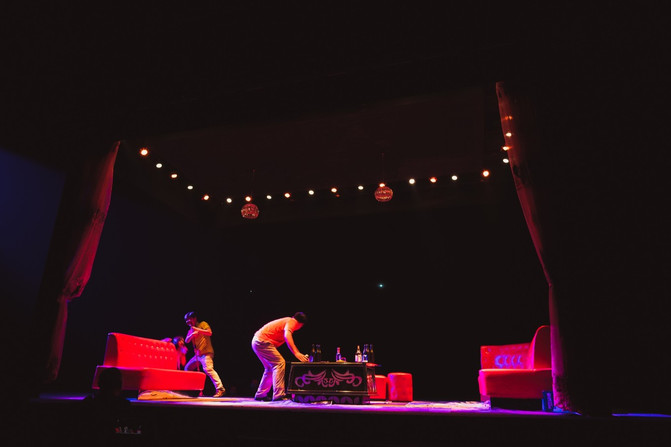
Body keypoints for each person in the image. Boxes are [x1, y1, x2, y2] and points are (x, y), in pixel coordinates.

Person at [251, 312, 309, 401]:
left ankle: (261, 394)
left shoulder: (287, 321)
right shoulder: (292, 321)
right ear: (300, 324)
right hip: (262, 341)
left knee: (270, 368)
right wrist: (296, 353)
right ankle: (279, 395)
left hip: (257, 341)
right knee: (280, 363)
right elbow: (287, 335)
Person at [183, 311, 226, 397]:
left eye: (189, 319)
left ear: (194, 318)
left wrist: (198, 330)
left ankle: (220, 388)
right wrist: (192, 335)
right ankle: (192, 389)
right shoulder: (191, 329)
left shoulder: (203, 324)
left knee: (208, 369)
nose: (188, 322)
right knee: (187, 368)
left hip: (206, 353)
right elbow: (186, 340)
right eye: (186, 320)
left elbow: (209, 332)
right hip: (198, 355)